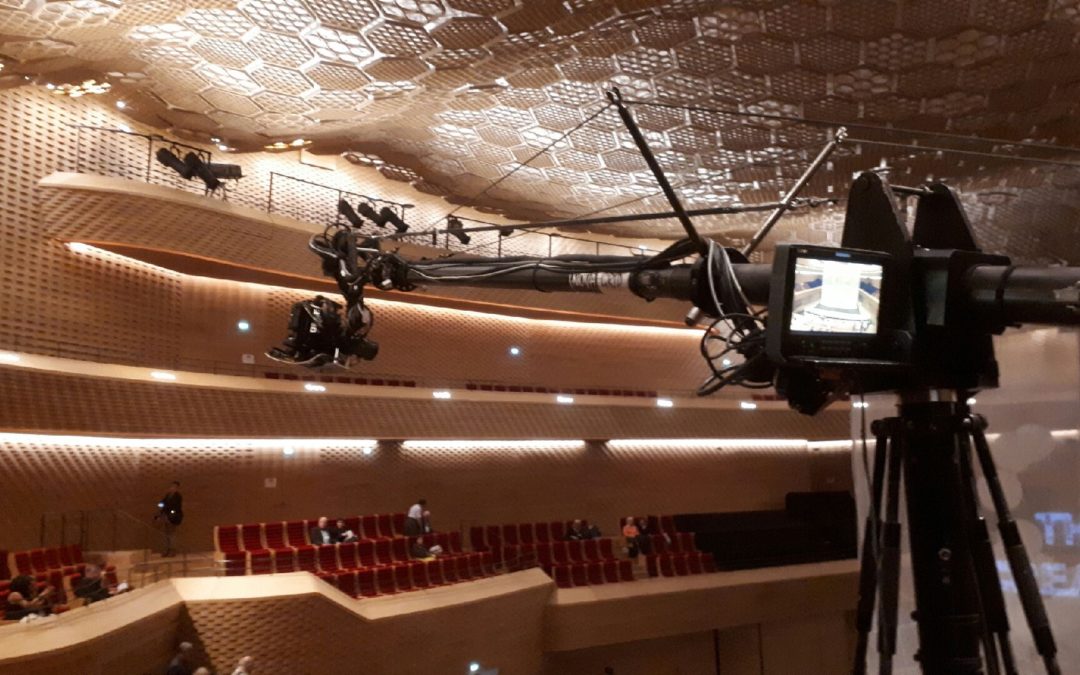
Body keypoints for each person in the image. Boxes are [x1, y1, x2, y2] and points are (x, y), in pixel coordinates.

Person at [157, 481, 184, 557]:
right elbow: (162, 503)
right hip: (166, 517)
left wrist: (171, 514)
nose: (172, 488)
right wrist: (160, 507)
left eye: (174, 487)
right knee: (166, 534)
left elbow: (176, 508)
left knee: (172, 534)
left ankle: (172, 551)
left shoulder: (178, 496)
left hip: (173, 518)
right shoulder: (168, 495)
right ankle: (167, 550)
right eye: (171, 486)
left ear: (177, 488)